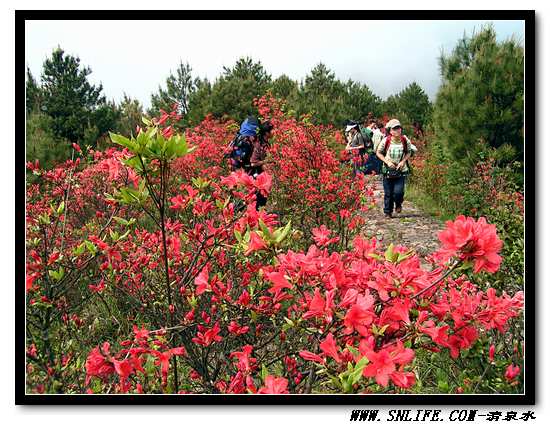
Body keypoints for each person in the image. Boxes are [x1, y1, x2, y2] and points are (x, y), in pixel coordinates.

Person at [376, 119, 413, 218]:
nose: (397, 130)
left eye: (399, 128)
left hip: (400, 170)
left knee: (398, 192)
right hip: (388, 170)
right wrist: (387, 162)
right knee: (388, 193)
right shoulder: (386, 140)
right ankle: (388, 212)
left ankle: (398, 204)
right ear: (390, 131)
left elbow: (409, 152)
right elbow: (378, 152)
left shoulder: (405, 140)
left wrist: (403, 161)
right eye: (395, 128)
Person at [249, 120, 274, 210]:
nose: (273, 132)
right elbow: (253, 163)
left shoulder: (266, 143)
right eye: (271, 130)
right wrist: (266, 161)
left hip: (264, 176)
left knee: (263, 200)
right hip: (258, 176)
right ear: (266, 133)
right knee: (259, 200)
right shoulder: (259, 145)